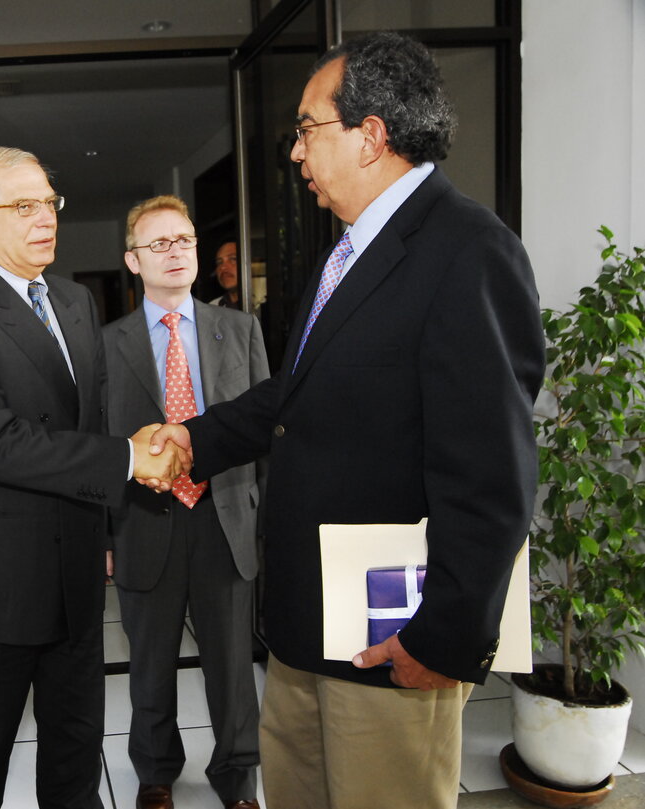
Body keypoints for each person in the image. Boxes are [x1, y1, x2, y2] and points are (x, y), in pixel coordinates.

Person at [149, 32, 544, 809]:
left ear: (369, 136)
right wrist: (195, 438)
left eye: (305, 129)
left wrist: (444, 638)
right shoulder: (344, 255)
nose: (295, 153)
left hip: (391, 634)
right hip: (307, 624)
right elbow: (295, 399)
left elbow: (493, 474)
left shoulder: (467, 252)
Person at [0, 146, 186, 809]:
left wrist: (117, 509)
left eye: (49, 203)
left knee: (74, 756)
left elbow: (88, 420)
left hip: (76, 569)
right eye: (22, 206)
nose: (46, 218)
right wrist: (127, 459)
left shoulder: (73, 299)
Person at [103, 195, 267, 809]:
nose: (175, 253)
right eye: (159, 244)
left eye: (184, 240)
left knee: (232, 665)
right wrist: (104, 536)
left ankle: (238, 777)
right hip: (144, 521)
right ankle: (154, 773)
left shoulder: (241, 330)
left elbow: (262, 432)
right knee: (150, 663)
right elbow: (98, 445)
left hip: (225, 517)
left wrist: (265, 520)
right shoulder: (107, 345)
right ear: (132, 260)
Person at [208, 241, 241, 309]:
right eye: (219, 262)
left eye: (233, 259)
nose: (223, 267)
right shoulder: (212, 308)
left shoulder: (261, 305)